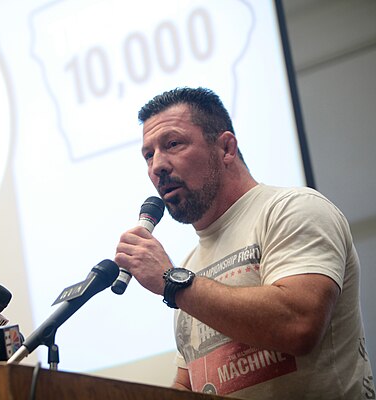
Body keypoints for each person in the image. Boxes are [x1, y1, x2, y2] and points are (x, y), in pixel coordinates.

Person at [114, 87, 374, 399]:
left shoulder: (293, 209)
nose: (157, 166)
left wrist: (172, 283)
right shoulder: (189, 266)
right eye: (148, 155)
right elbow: (189, 383)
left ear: (226, 147)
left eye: (172, 144)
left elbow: (298, 324)